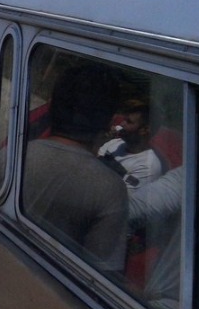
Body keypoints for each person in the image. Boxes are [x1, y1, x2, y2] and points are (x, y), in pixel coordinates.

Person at [22, 63, 128, 272]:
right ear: (107, 122)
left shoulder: (14, 155)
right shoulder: (111, 190)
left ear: (51, 107)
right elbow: (103, 277)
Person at [97, 99, 163, 191]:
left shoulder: (147, 166)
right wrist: (100, 141)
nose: (122, 124)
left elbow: (122, 197)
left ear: (144, 130)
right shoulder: (115, 143)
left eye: (129, 122)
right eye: (124, 120)